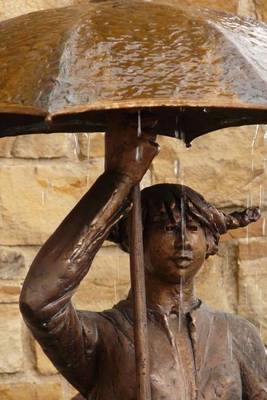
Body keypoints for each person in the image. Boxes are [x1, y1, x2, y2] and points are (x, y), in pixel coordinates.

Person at [19, 132, 266, 400]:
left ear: (209, 242)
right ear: (135, 239)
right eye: (168, 228)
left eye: (193, 228)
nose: (183, 241)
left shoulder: (237, 334)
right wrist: (119, 181)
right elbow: (40, 301)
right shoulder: (102, 337)